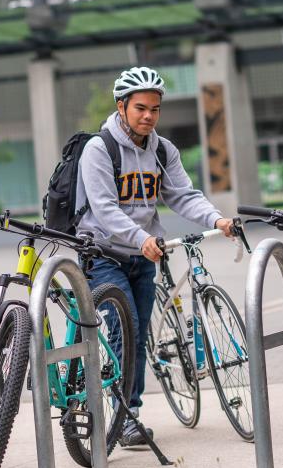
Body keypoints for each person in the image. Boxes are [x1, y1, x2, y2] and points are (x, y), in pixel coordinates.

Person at [76, 66, 236, 447]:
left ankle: (127, 412)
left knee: (140, 331)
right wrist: (141, 236)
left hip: (142, 255)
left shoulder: (162, 149)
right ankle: (124, 419)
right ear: (122, 107)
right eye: (140, 108)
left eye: (155, 109)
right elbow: (103, 208)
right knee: (126, 325)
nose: (149, 116)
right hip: (102, 253)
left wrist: (218, 218)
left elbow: (182, 194)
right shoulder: (99, 150)